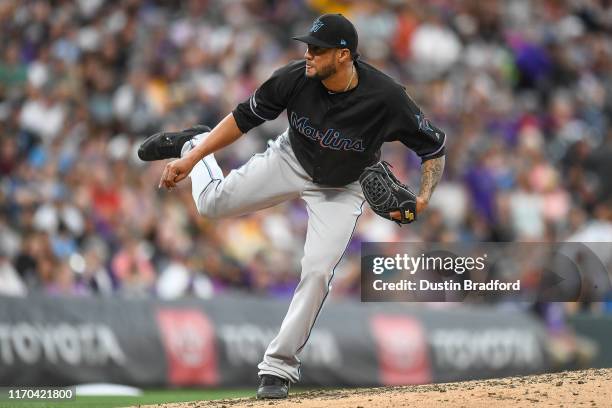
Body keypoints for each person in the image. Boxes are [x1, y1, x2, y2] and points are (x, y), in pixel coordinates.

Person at [139, 13, 446, 399]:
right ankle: (191, 144)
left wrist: (422, 197)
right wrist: (193, 157)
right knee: (210, 205)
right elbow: (242, 118)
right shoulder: (294, 77)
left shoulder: (386, 97)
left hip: (343, 186)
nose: (309, 54)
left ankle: (277, 368)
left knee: (318, 273)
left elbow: (434, 148)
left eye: (318, 49)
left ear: (344, 55)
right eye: (308, 46)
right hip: (291, 159)